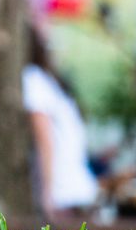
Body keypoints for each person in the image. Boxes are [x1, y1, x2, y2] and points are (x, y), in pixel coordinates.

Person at [23, 27, 99, 220]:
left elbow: (44, 138)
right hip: (79, 186)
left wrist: (47, 194)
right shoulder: (51, 82)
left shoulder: (32, 80)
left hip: (62, 191)